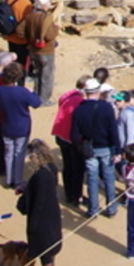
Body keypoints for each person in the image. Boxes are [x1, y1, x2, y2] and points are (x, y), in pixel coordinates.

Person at [16, 139, 62, 266]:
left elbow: (38, 200)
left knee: (44, 249)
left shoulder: (40, 175)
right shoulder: (52, 168)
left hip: (42, 217)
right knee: (50, 247)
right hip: (52, 213)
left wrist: (33, 221)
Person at [72, 78, 121, 218]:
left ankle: (93, 210)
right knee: (109, 178)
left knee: (92, 179)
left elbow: (74, 135)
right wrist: (117, 150)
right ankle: (111, 208)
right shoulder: (106, 108)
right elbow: (113, 130)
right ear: (98, 91)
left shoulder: (79, 110)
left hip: (89, 149)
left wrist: (80, 147)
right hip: (106, 148)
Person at [0, 60, 41, 187]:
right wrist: (31, 92)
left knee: (8, 153)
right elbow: (37, 103)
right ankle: (18, 180)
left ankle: (9, 180)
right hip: (21, 127)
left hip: (7, 125)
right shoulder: (22, 91)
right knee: (19, 154)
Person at [52, 77, 89, 207]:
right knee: (77, 168)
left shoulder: (66, 96)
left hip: (61, 135)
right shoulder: (81, 102)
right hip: (72, 138)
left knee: (67, 166)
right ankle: (77, 196)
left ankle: (69, 194)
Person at [24, 0, 60, 102]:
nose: (49, 4)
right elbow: (49, 36)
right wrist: (56, 28)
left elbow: (20, 31)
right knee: (46, 76)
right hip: (46, 51)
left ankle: (37, 95)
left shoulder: (29, 16)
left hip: (33, 49)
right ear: (43, 5)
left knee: (38, 74)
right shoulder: (46, 18)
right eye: (48, 3)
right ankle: (44, 99)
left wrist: (31, 38)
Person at [1, 0, 36, 67]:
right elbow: (30, 21)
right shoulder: (26, 3)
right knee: (23, 62)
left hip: (10, 33)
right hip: (21, 38)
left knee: (14, 58)